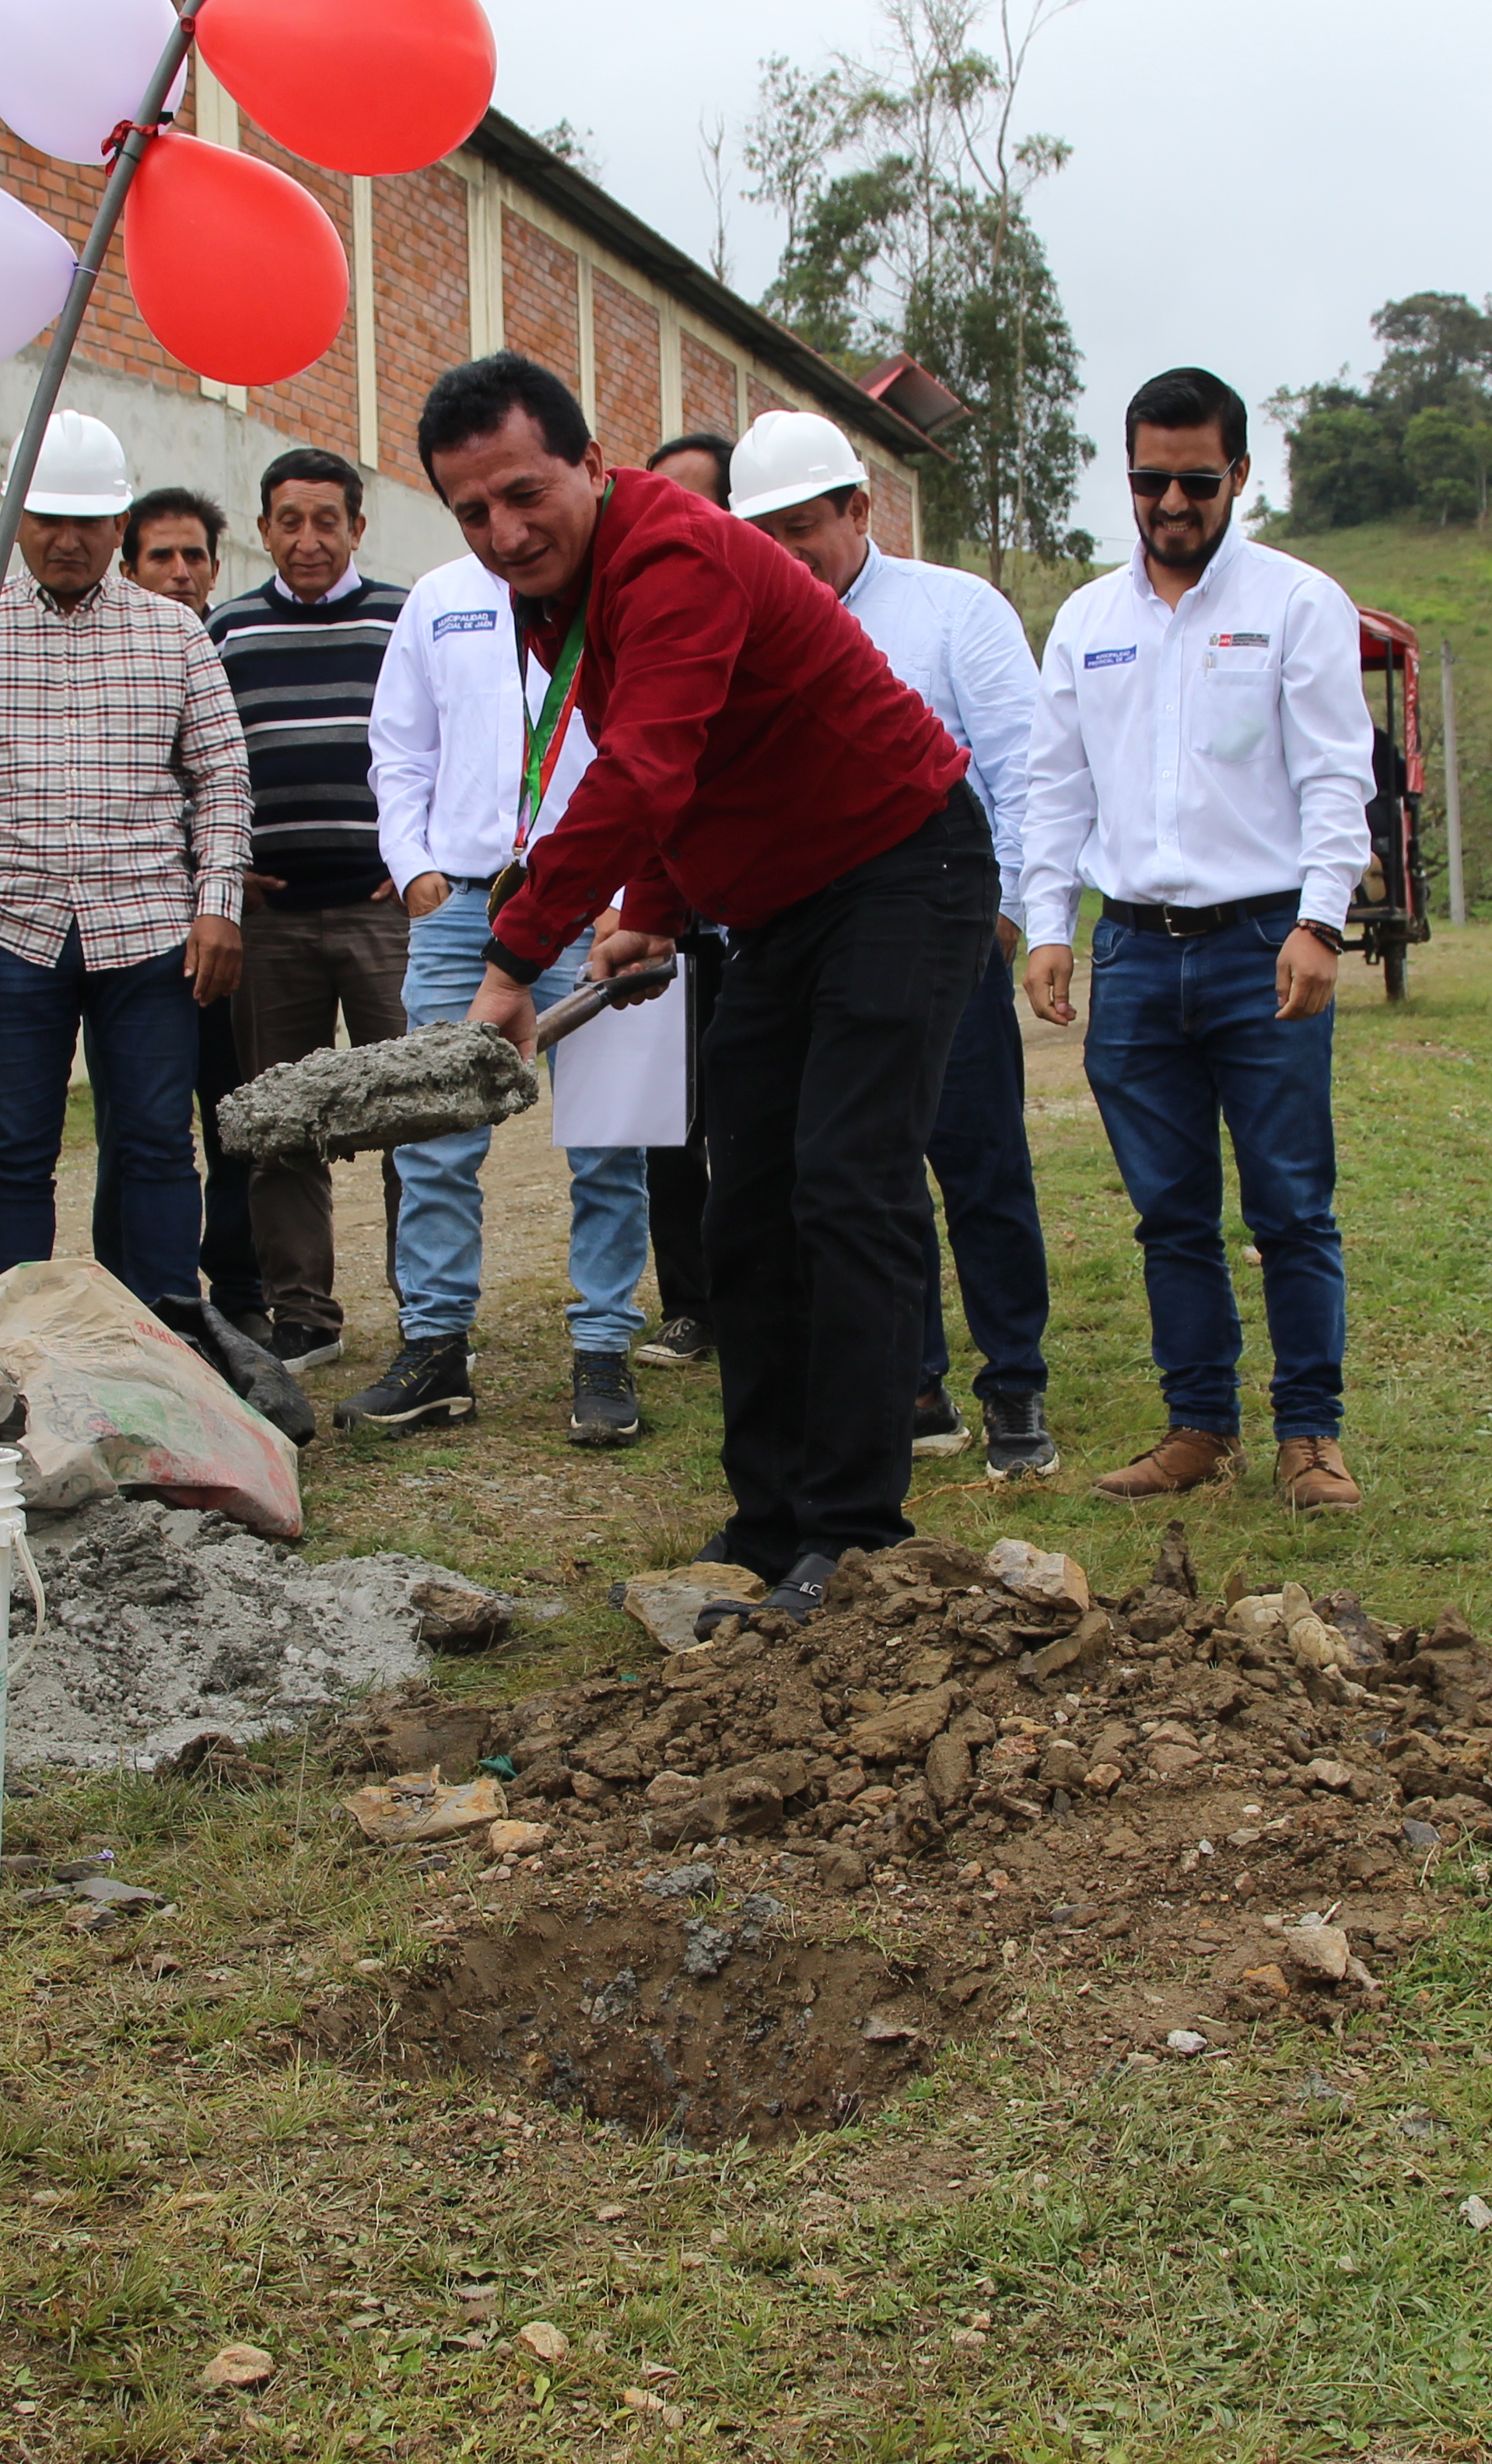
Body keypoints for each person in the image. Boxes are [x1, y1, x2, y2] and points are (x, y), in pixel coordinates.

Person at [429, 354, 994, 1611]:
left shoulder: (667, 556)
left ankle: (854, 1537)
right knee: (743, 1207)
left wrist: (514, 959)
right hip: (781, 906)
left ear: (589, 464)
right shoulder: (561, 590)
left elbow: (641, 766)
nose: (502, 531)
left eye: (522, 494)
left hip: (902, 862)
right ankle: (769, 1521)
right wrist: (655, 910)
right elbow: (705, 749)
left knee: (846, 1185)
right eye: (471, 513)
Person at [1020, 369, 1376, 1520]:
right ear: (1127, 474)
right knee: (1170, 1210)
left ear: (1238, 475)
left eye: (1197, 479)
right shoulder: (1088, 622)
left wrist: (1322, 921)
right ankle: (1198, 1428)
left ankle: (1310, 1437)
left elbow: (1336, 774)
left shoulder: (1298, 602)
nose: (1172, 501)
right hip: (1131, 955)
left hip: (1263, 944)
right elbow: (1052, 788)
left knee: (1289, 1207)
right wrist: (1046, 929)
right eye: (1151, 479)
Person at [729, 409, 1058, 1480]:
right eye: (760, 533)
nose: (783, 555)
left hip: (942, 934)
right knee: (863, 1176)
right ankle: (910, 1381)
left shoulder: (953, 612)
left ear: (860, 509)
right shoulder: (742, 626)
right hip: (809, 950)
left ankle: (1014, 1383)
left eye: (801, 528)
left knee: (979, 1162)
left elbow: (1023, 770)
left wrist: (1006, 920)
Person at [0, 412, 248, 1302]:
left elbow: (223, 778)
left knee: (161, 1141)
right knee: (13, 1153)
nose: (66, 540)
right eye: (46, 517)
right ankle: (17, 1355)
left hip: (149, 931)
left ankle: (173, 1343)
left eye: (88, 522)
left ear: (119, 526)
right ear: (15, 517)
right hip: (10, 934)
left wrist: (219, 904)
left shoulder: (174, 635)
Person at [359, 544, 652, 1447]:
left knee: (608, 1137)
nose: (505, 522)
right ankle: (436, 1348)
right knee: (437, 1137)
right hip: (466, 903)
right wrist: (414, 870)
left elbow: (656, 751)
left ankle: (604, 1349)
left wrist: (635, 896)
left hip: (601, 905)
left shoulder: (616, 589)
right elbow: (400, 749)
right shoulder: (439, 596)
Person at [208, 447, 411, 1367]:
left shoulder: (404, 621)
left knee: (417, 1112)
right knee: (280, 1123)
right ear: (263, 531)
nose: (309, 538)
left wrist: (424, 859)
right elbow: (194, 762)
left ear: (358, 527)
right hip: (271, 922)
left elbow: (453, 744)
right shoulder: (225, 633)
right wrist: (220, 864)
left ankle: (431, 1313)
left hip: (386, 913)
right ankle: (303, 1316)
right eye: (289, 520)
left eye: (327, 519)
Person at [99, 486, 262, 1323]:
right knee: (141, 1125)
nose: (179, 570)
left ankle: (238, 1295)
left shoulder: (241, 639)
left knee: (237, 1115)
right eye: (160, 555)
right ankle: (127, 1296)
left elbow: (240, 780)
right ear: (127, 566)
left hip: (236, 925)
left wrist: (230, 884)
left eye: (194, 555)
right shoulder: (108, 648)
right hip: (142, 932)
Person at [632, 429, 737, 1366]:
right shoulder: (639, 619)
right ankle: (693, 1303)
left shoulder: (753, 612)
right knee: (671, 1120)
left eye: (699, 504)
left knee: (760, 1120)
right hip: (672, 916)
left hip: (767, 921)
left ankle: (769, 1299)